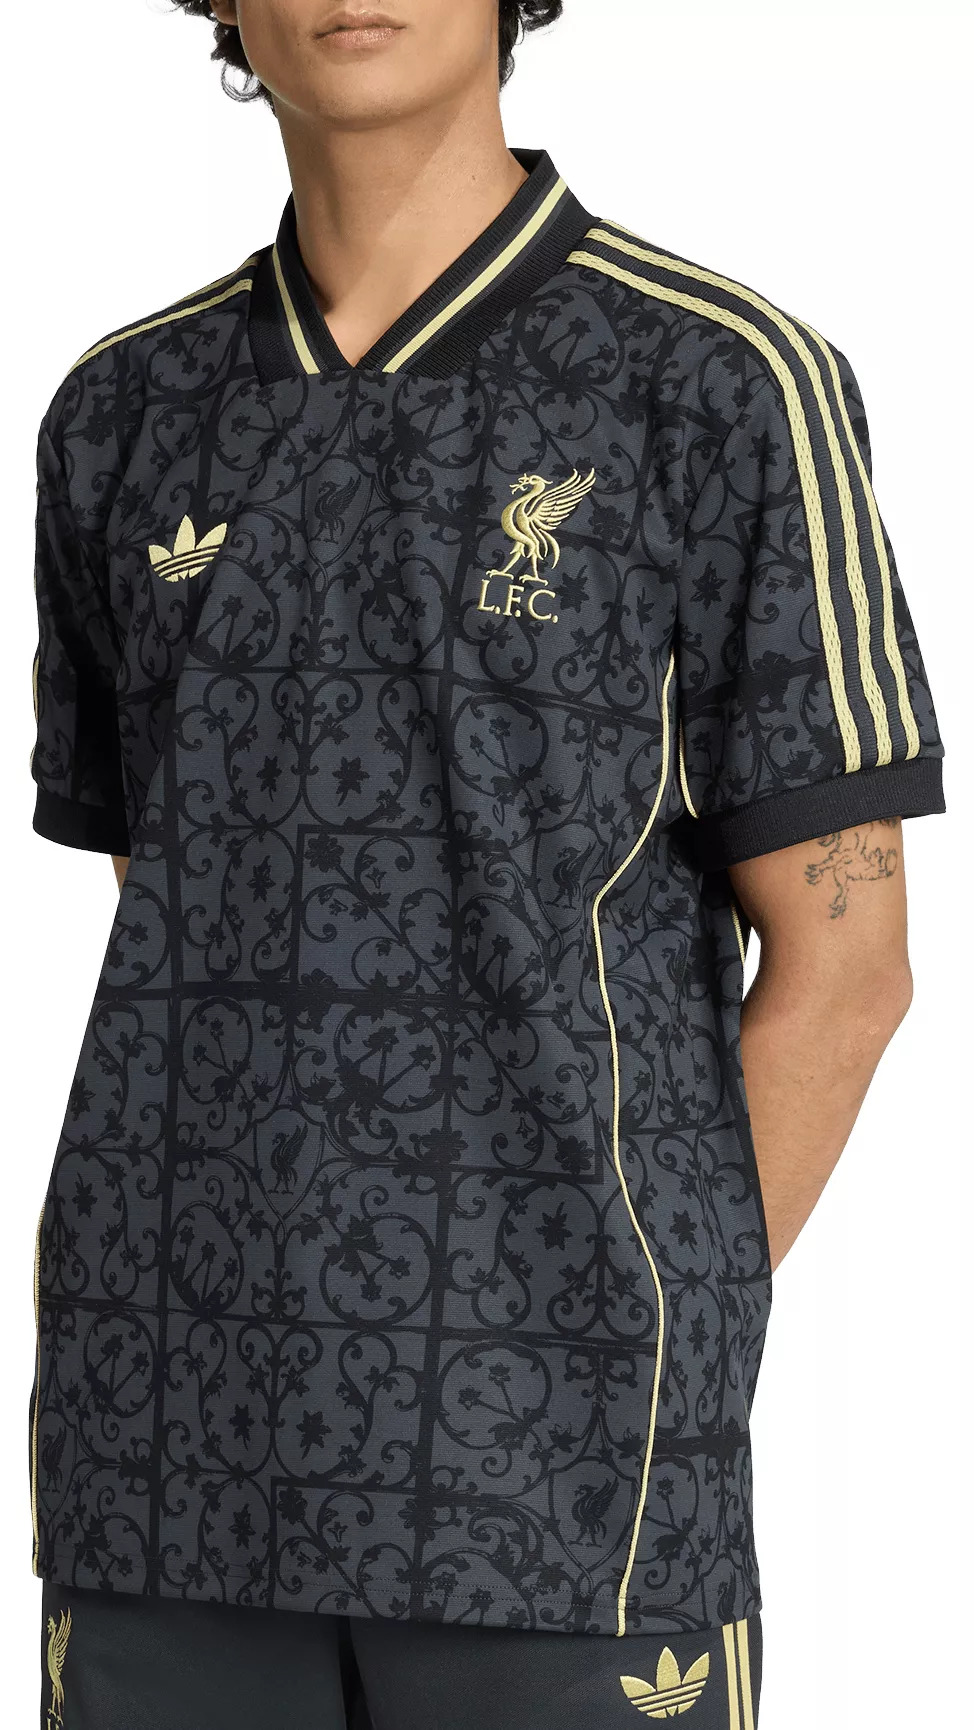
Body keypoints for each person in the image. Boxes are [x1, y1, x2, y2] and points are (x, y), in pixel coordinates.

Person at [28, 3, 945, 1727]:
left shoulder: (716, 381)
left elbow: (847, 971)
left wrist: (629, 1342)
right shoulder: (122, 411)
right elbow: (177, 899)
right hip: (160, 1455)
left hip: (561, 1496)